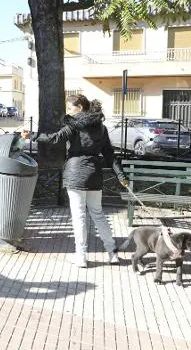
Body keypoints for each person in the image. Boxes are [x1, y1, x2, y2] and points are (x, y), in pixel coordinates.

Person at [36, 94, 128, 268]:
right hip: (94, 174)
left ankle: (81, 256)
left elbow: (54, 139)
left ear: (79, 108)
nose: (68, 112)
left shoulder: (74, 125)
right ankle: (112, 253)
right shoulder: (102, 128)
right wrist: (121, 176)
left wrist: (33, 136)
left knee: (79, 217)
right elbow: (109, 154)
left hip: (76, 172)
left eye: (70, 108)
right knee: (98, 215)